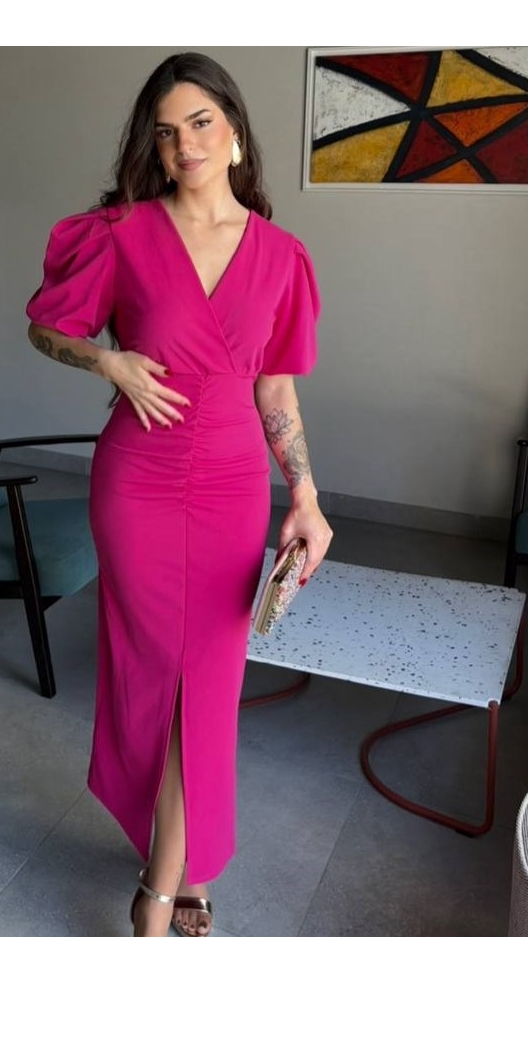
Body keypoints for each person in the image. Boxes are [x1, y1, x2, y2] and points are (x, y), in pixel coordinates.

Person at [25, 52, 333, 937]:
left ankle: (165, 878)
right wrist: (109, 361)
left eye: (200, 122)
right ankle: (176, 877)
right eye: (166, 132)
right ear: (153, 148)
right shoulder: (120, 234)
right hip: (138, 484)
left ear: (234, 131)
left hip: (233, 488)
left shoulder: (281, 256)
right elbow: (44, 328)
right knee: (158, 675)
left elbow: (277, 390)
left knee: (210, 683)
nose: (184, 144)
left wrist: (305, 495)